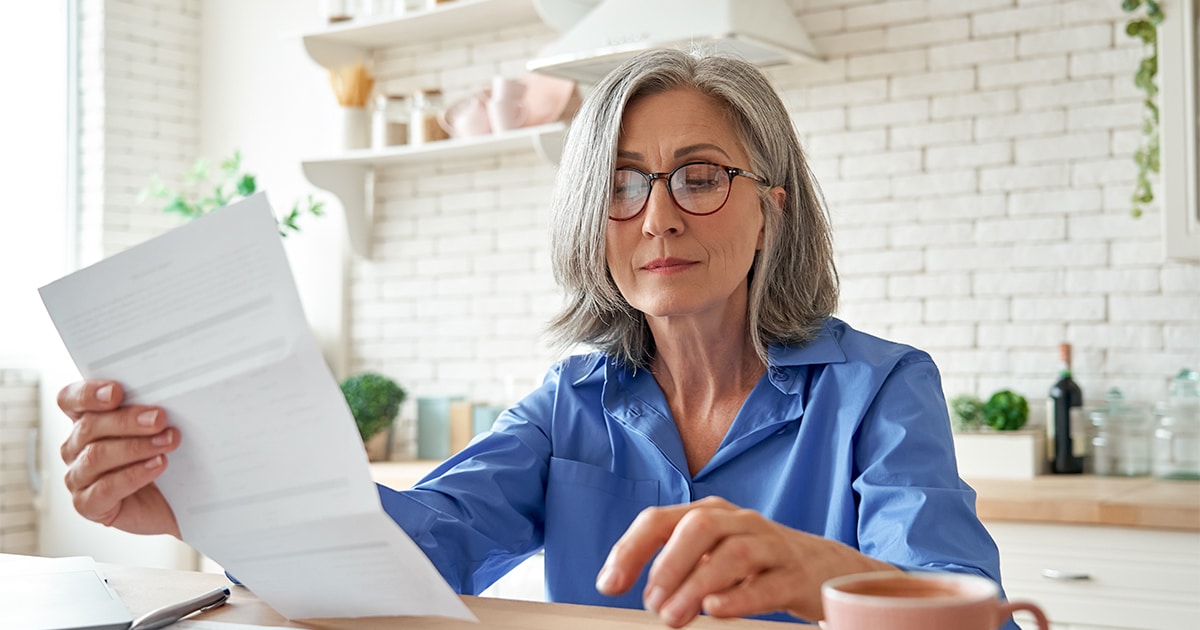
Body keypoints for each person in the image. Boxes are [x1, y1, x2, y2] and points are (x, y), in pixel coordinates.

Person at [57, 49, 1014, 628]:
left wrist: (819, 575)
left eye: (699, 175)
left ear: (772, 208)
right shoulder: (572, 404)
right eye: (623, 183)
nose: (657, 218)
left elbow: (970, 610)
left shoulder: (881, 390)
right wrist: (197, 497)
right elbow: (413, 550)